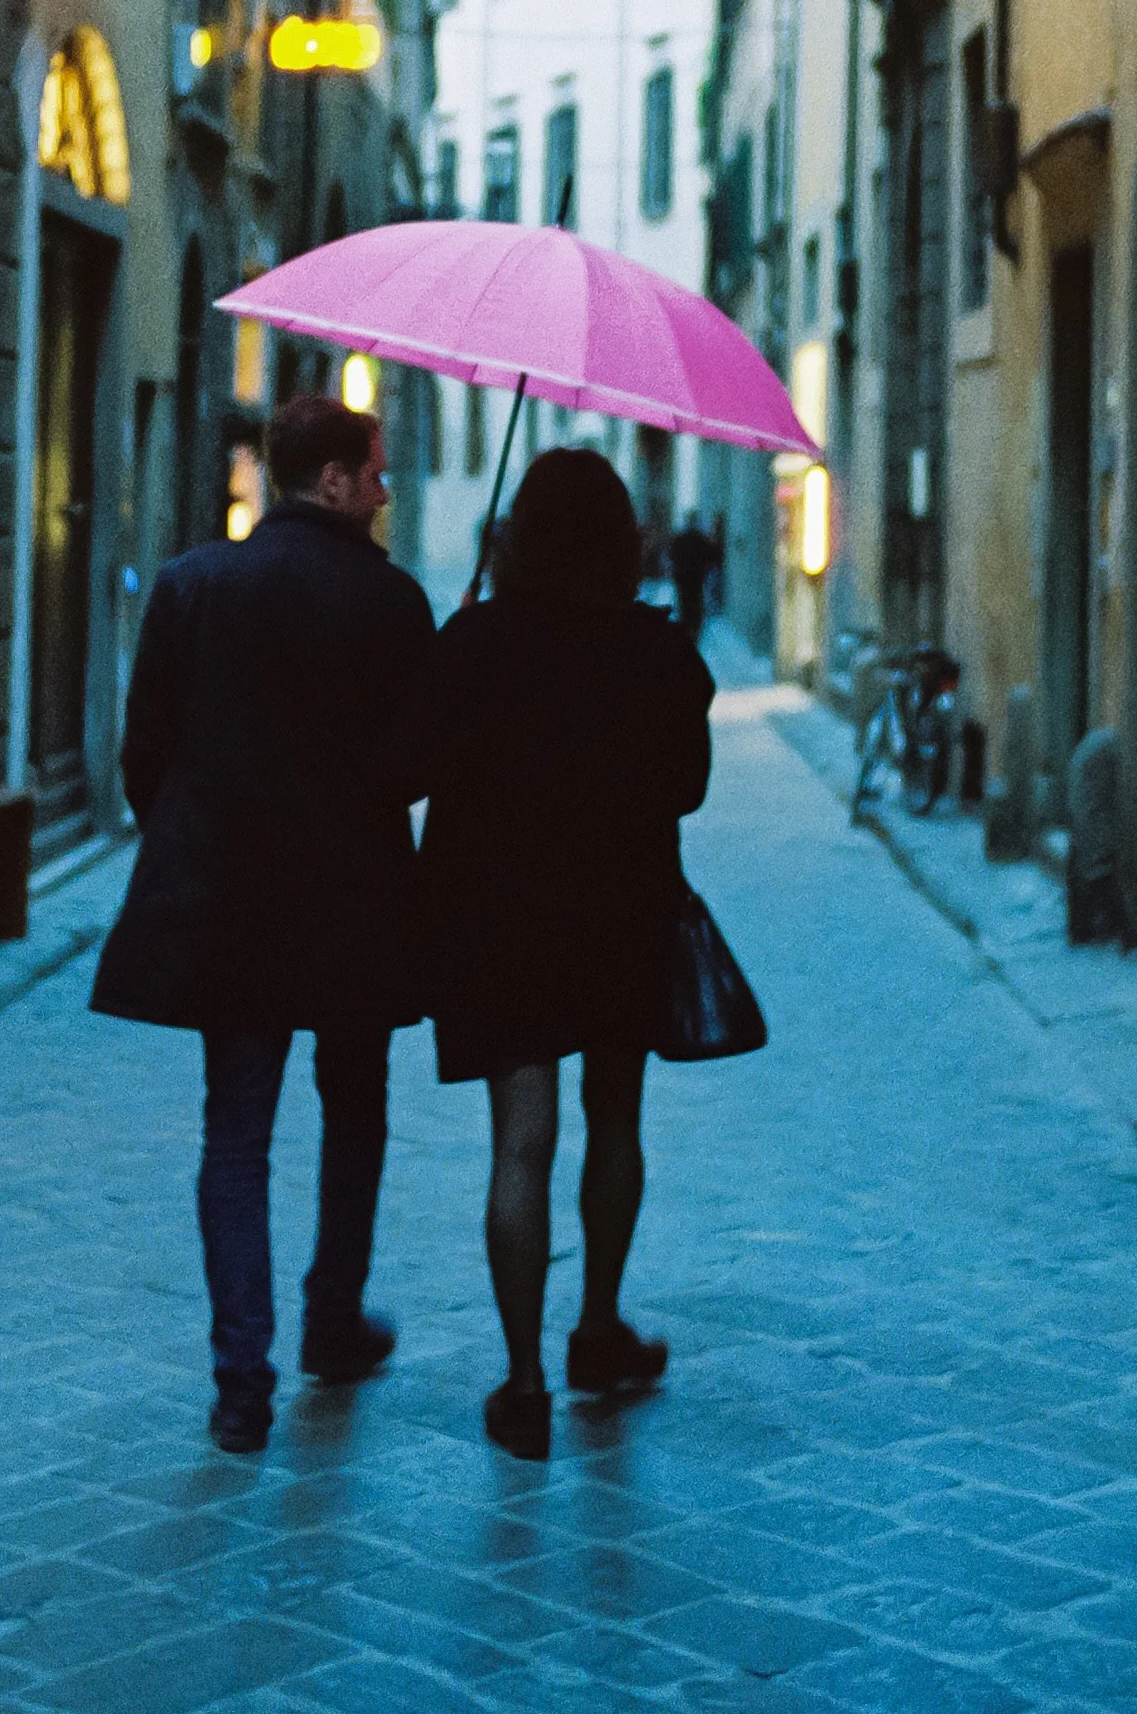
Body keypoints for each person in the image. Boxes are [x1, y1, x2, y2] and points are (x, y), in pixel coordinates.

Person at [91, 393, 436, 1453]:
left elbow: (142, 751)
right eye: (373, 472)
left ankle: (242, 1380)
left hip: (229, 905)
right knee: (354, 1110)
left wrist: (196, 840)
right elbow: (415, 769)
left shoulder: (194, 586)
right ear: (328, 479)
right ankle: (333, 1320)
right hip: (351, 909)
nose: (383, 488)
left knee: (233, 1137)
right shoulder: (392, 604)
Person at [400, 446, 715, 1458]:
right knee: (613, 1116)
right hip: (619, 913)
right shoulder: (658, 651)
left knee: (519, 1141)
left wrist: (457, 646)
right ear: (625, 544)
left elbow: (411, 768)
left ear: (518, 536)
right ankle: (596, 1329)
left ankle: (523, 1382)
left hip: (499, 921)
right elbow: (685, 788)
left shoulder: (477, 641)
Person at [665, 514, 723, 638]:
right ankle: (693, 632)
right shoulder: (700, 539)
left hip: (683, 579)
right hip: (696, 579)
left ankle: (686, 631)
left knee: (684, 605)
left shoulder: (681, 538)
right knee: (695, 606)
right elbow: (712, 556)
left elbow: (672, 555)